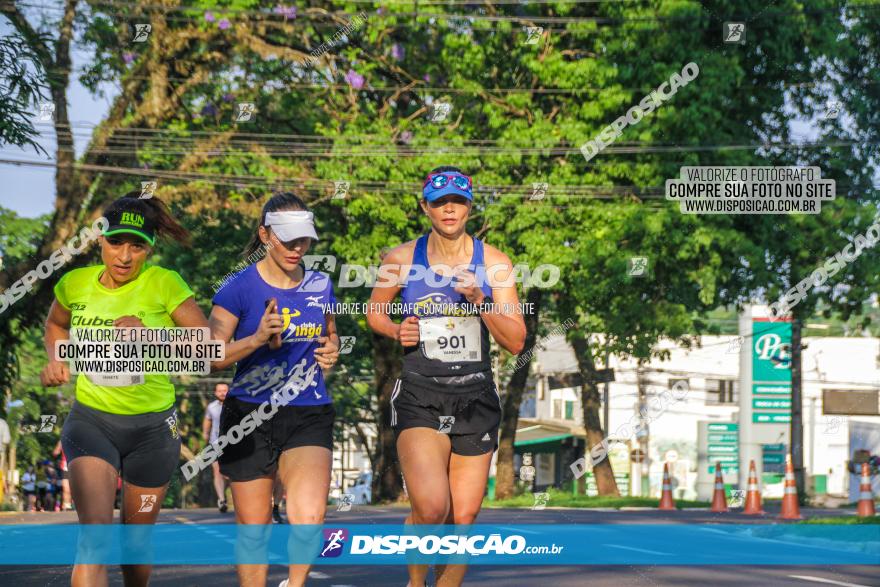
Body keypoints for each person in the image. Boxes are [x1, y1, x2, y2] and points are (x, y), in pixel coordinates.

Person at [366, 166, 526, 587]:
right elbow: (374, 312)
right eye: (439, 202)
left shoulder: (495, 263)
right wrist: (395, 329)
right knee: (433, 508)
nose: (449, 208)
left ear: (470, 206)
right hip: (421, 392)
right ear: (425, 208)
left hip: (475, 397)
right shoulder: (400, 259)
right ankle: (416, 582)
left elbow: (515, 340)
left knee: (464, 518)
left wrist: (479, 298)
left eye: (457, 200)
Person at [40, 193, 209, 587]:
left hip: (154, 430)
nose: (125, 256)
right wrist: (56, 358)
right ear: (100, 239)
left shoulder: (165, 283)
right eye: (116, 242)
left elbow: (205, 344)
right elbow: (55, 325)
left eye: (138, 245)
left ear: (150, 247)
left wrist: (147, 336)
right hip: (91, 421)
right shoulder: (74, 284)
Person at [209, 192, 340, 587]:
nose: (298, 248)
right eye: (289, 239)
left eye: (305, 240)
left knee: (309, 516)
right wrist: (255, 339)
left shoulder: (321, 285)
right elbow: (210, 355)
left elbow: (330, 336)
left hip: (307, 410)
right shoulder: (237, 288)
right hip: (248, 413)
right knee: (254, 528)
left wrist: (331, 350)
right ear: (265, 235)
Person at [203, 382, 231, 513]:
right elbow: (207, 421)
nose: (222, 393)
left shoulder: (235, 406)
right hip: (215, 443)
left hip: (234, 443)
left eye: (225, 390)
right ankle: (221, 500)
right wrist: (205, 435)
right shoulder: (211, 407)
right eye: (220, 390)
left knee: (230, 473)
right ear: (215, 393)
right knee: (217, 470)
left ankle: (233, 496)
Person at [52, 440, 73, 510]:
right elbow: (55, 452)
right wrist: (57, 449)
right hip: (65, 466)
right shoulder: (62, 441)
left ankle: (70, 504)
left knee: (71, 488)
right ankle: (66, 505)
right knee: (65, 487)